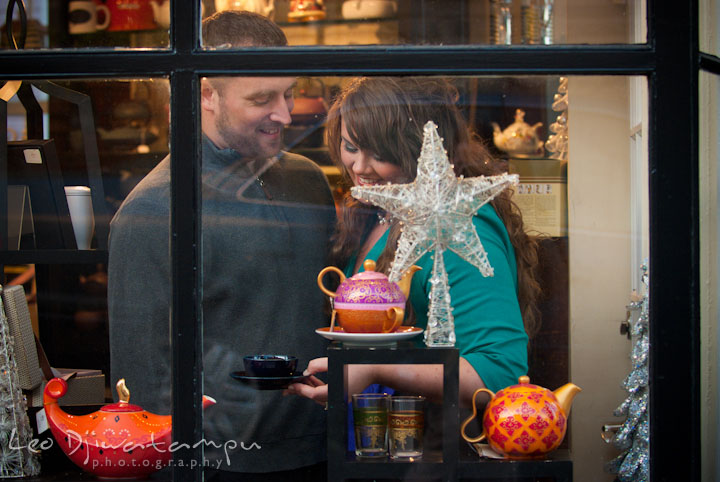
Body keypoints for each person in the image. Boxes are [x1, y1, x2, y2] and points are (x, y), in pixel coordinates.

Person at [107, 11, 336, 481]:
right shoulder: (154, 211)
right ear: (205, 94)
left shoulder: (309, 181)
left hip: (329, 446)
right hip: (221, 465)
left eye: (288, 93)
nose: (286, 114)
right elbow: (142, 384)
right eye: (261, 98)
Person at [287, 77, 542, 409]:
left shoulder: (456, 225)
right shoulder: (375, 214)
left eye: (380, 154)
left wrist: (374, 370)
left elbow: (499, 371)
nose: (360, 167)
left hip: (434, 445)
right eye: (351, 147)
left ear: (421, 151)